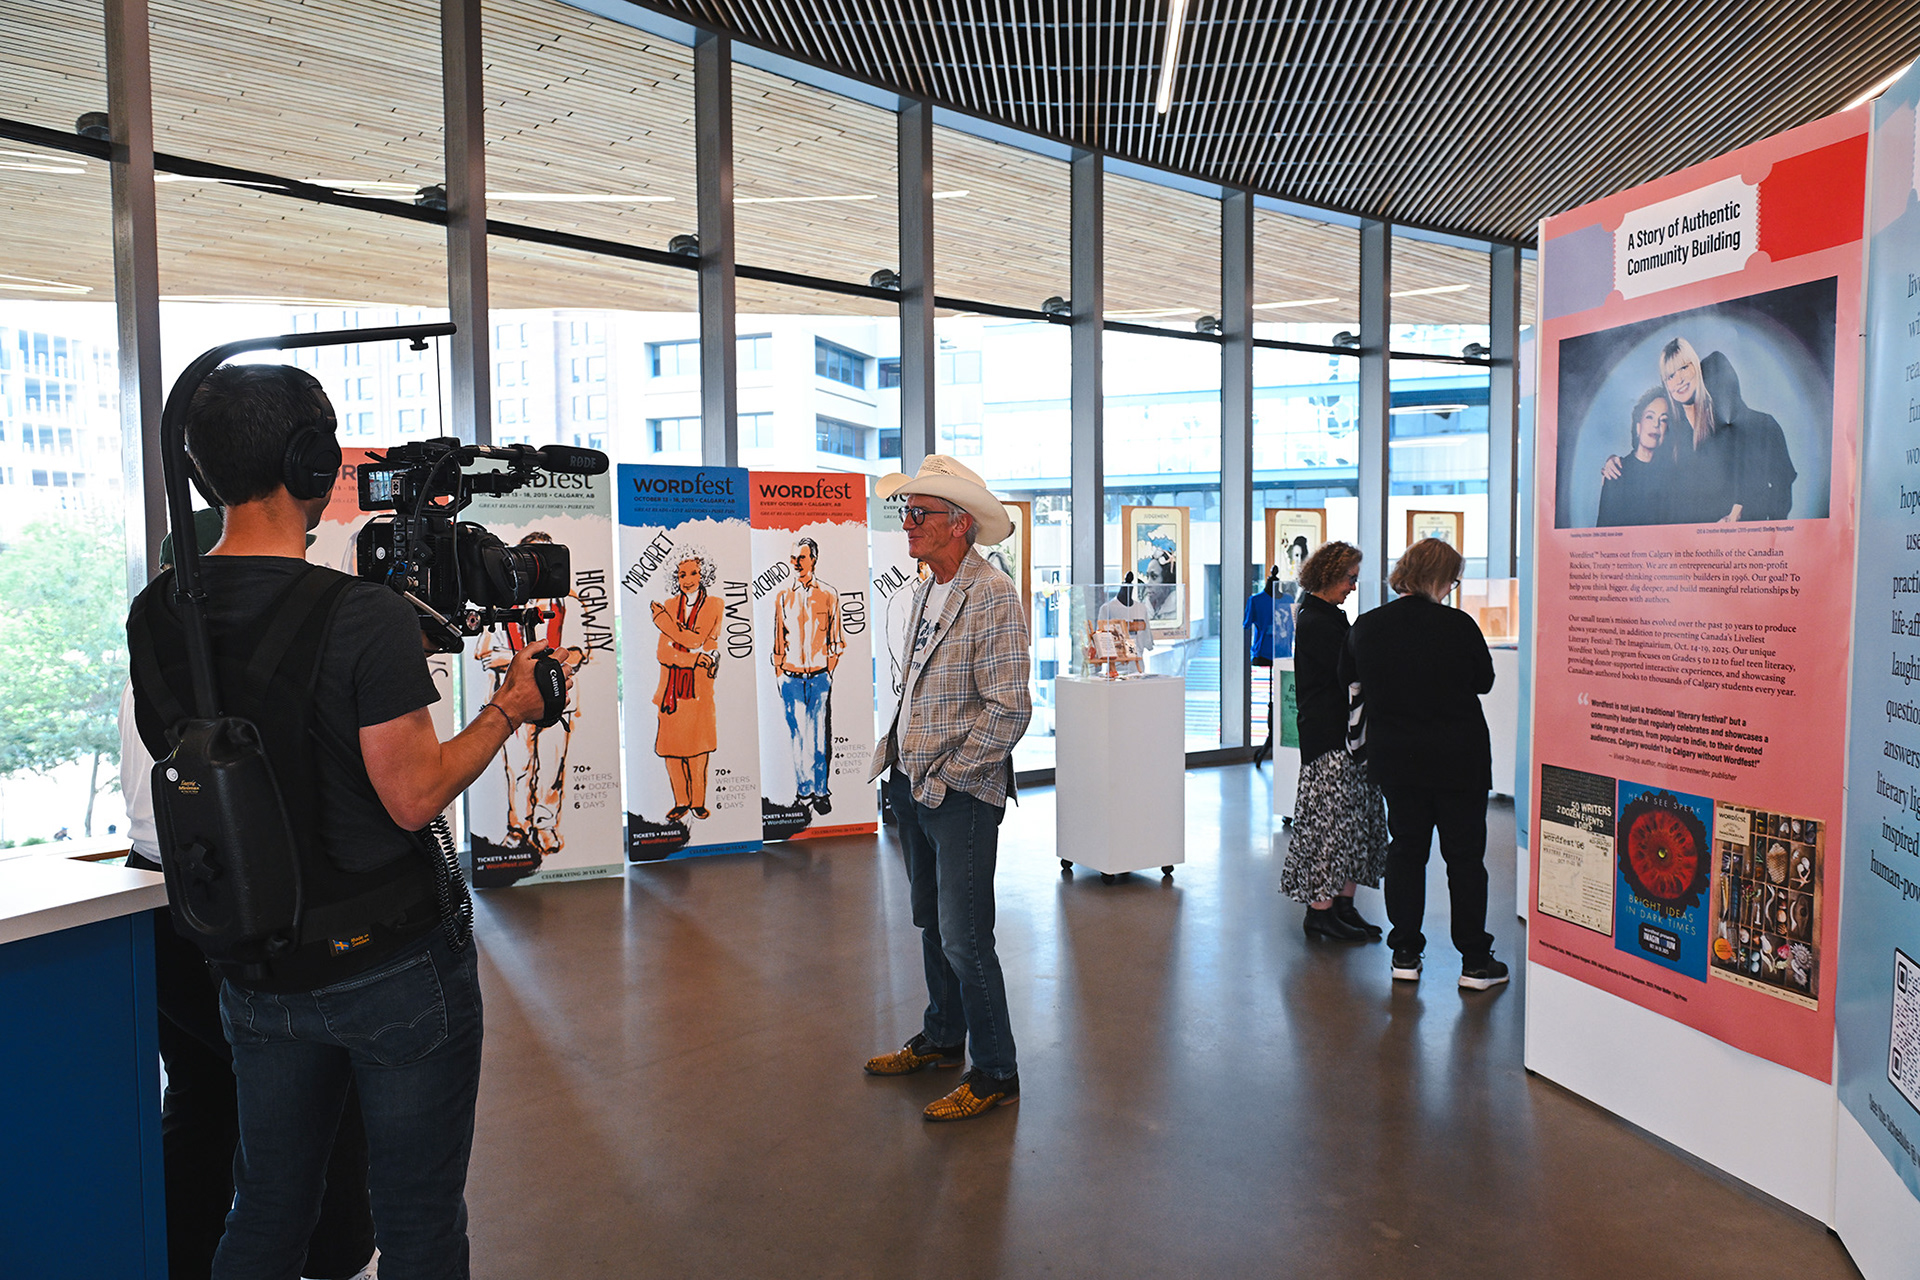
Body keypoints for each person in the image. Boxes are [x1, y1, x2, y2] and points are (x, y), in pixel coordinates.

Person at [126, 364, 563, 1280]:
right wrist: (508, 708)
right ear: (314, 462)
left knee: (268, 1207)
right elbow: (413, 795)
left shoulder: (157, 614)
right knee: (415, 1218)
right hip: (393, 966)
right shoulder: (361, 615)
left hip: (257, 965)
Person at [119, 506, 376, 1280]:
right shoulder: (226, 669)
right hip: (233, 909)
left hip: (155, 902)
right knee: (328, 1091)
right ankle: (329, 1255)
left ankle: (183, 1256)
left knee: (204, 1098)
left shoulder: (151, 661)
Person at [864, 454, 1032, 1121]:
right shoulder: (925, 586)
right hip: (912, 782)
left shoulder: (991, 594)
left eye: (920, 513)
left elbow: (1010, 707)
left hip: (958, 794)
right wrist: (906, 769)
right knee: (932, 923)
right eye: (906, 511)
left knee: (966, 937)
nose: (908, 522)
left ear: (958, 525)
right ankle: (942, 1036)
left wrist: (952, 776)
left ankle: (996, 1072)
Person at [1344, 537, 1505, 989]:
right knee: (1465, 859)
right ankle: (1475, 960)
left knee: (1407, 851)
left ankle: (1405, 954)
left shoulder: (1368, 626)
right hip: (1460, 759)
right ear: (1438, 578)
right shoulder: (1458, 626)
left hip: (1397, 760)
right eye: (1452, 580)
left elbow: (1349, 679)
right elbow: (1485, 681)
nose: (1452, 589)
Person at [1280, 541, 1389, 941]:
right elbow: (1348, 673)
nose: (1353, 587)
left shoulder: (1324, 616)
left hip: (1343, 737)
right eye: (1350, 578)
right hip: (1331, 739)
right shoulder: (1317, 622)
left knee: (1355, 822)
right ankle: (1321, 911)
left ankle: (1342, 905)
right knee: (1332, 825)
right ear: (1329, 576)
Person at [771, 536, 844, 815]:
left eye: (802, 557)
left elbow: (836, 640)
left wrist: (828, 672)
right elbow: (778, 640)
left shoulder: (828, 594)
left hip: (818, 677)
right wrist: (779, 673)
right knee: (796, 737)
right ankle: (803, 791)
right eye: (793, 558)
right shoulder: (783, 597)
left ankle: (821, 791)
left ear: (813, 558)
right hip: (790, 677)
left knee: (819, 737)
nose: (796, 563)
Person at [650, 549, 722, 822]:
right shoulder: (670, 604)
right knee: (671, 751)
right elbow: (664, 654)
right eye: (682, 574)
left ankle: (698, 802)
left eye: (693, 573)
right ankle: (681, 802)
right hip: (671, 692)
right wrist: (695, 659)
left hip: (699, 692)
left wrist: (663, 622)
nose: (688, 579)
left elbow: (696, 639)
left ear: (704, 575)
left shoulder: (714, 604)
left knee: (698, 749)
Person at [1595, 389, 1672, 527]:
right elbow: (1604, 535)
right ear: (1638, 427)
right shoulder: (1616, 472)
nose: (1656, 424)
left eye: (1664, 419)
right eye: (1650, 417)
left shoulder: (1672, 475)